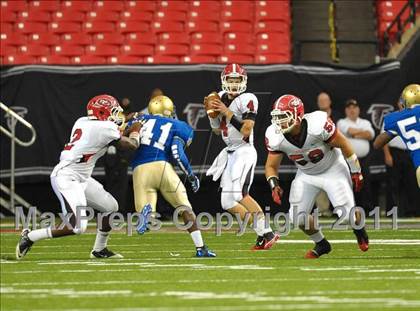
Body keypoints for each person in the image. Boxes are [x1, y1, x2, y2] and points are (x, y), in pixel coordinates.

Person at [16, 95, 142, 260]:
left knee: (110, 207)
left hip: (80, 177)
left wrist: (129, 123)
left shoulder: (83, 121)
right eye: (113, 112)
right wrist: (136, 130)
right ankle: (31, 236)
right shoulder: (104, 128)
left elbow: (112, 132)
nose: (116, 116)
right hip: (67, 177)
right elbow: (130, 144)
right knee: (77, 226)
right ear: (102, 113)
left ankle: (99, 249)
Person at [265, 94, 369, 258]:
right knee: (297, 217)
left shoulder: (318, 125)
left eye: (284, 117)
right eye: (277, 118)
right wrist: (274, 184)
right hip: (306, 174)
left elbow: (344, 144)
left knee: (347, 215)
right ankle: (322, 244)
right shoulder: (275, 136)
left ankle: (359, 229)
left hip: (333, 169)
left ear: (298, 116)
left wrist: (356, 171)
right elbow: (271, 166)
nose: (280, 122)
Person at [129, 95, 216, 257]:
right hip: (162, 166)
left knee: (143, 207)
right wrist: (190, 175)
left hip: (139, 168)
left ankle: (146, 216)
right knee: (184, 207)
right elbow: (177, 153)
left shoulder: (139, 119)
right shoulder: (178, 125)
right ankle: (200, 247)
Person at [205, 63, 279, 250]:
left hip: (244, 151)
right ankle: (262, 234)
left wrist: (224, 110)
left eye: (237, 80)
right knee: (227, 201)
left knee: (240, 194)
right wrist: (212, 114)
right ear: (224, 80)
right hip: (230, 151)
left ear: (244, 81)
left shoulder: (248, 99)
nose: (234, 83)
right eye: (231, 79)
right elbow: (216, 130)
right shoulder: (220, 97)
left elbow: (246, 129)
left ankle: (268, 232)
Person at [374, 84, 420, 188]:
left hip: (415, 158)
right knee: (399, 184)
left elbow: (377, 144)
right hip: (398, 154)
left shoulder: (395, 119)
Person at [337, 99, 375, 211]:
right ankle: (350, 209)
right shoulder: (341, 122)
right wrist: (360, 133)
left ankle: (367, 209)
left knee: (366, 184)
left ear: (358, 109)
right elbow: (349, 131)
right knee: (349, 184)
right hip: (348, 160)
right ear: (346, 111)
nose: (352, 110)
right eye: (349, 108)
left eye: (354, 107)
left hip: (364, 160)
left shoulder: (365, 122)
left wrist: (354, 134)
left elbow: (370, 135)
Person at [104, 97, 135, 213]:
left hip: (122, 154)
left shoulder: (127, 119)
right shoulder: (110, 119)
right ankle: (109, 210)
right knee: (111, 184)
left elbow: (124, 136)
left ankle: (119, 210)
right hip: (111, 154)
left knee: (121, 186)